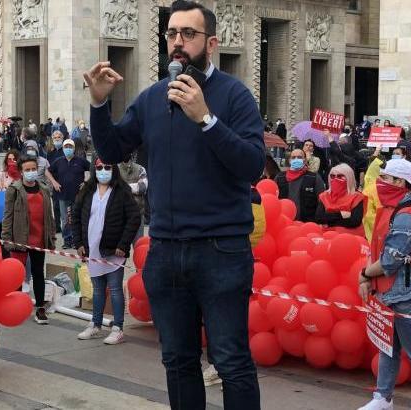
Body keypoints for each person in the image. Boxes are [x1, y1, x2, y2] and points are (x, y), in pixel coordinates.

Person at [84, 1, 265, 407]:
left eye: (188, 34)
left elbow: (252, 165)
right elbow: (112, 149)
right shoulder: (152, 98)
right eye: (171, 34)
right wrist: (99, 104)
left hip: (221, 250)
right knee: (178, 360)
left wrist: (206, 119)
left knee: (231, 359)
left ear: (212, 43)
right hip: (166, 249)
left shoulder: (234, 96)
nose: (178, 43)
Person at [357, 158, 411, 410]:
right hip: (388, 291)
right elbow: (377, 247)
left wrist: (365, 274)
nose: (380, 183)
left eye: (386, 178)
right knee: (387, 348)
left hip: (407, 293)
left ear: (401, 182)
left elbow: (392, 259)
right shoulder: (389, 209)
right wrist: (369, 277)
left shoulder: (410, 214)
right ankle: (383, 397)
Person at [72, 158, 140, 344]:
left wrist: (123, 245)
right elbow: (76, 216)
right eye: (100, 167)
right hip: (91, 249)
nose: (103, 171)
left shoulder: (122, 192)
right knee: (98, 290)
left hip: (113, 251)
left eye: (107, 167)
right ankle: (95, 324)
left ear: (113, 169)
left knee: (116, 289)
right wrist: (78, 243)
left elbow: (134, 218)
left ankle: (118, 328)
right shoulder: (87, 191)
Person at [1, 155, 55, 324]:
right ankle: (14, 308)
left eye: (33, 169)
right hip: (19, 239)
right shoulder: (14, 190)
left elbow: (50, 217)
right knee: (17, 275)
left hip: (39, 239)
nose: (31, 172)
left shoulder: (44, 189)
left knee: (39, 274)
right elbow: (7, 215)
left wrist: (51, 238)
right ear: (21, 172)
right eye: (27, 170)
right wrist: (6, 238)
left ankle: (40, 308)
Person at [47, 139, 90, 249]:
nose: (68, 149)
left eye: (70, 147)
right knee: (65, 219)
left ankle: (78, 241)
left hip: (78, 195)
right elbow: (47, 171)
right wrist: (54, 182)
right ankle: (67, 240)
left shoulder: (80, 161)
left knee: (77, 217)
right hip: (63, 194)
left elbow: (93, 169)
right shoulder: (58, 161)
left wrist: (86, 182)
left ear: (74, 148)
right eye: (66, 147)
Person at [275, 149, 325, 222]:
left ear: (304, 160)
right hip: (284, 222)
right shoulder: (280, 177)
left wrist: (319, 220)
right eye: (293, 157)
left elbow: (321, 201)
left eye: (299, 157)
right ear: (289, 160)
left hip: (307, 223)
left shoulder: (314, 178)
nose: (296, 159)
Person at [315, 163, 366, 236]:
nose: (335, 179)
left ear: (349, 177)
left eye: (340, 176)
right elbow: (319, 218)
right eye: (332, 176)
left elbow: (355, 221)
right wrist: (340, 214)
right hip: (328, 237)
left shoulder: (357, 197)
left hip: (352, 238)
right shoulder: (324, 196)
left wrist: (329, 221)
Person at [117, 152, 148, 242]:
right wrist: (134, 187)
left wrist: (124, 187)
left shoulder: (140, 169)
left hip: (137, 214)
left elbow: (143, 187)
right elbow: (114, 188)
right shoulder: (116, 169)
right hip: (120, 215)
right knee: (120, 250)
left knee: (138, 245)